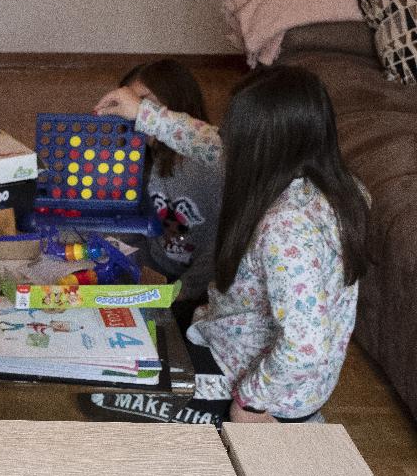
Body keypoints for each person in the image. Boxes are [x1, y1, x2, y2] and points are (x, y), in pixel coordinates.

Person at [121, 66, 367, 423]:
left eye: (234, 137)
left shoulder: (287, 228)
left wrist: (251, 401)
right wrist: (145, 114)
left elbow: (305, 347)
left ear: (261, 148)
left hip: (253, 386)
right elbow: (209, 143)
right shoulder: (339, 189)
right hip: (246, 349)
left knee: (113, 390)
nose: (225, 144)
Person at [93, 59, 224, 326]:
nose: (132, 111)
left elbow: (221, 248)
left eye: (143, 101)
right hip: (158, 274)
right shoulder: (144, 160)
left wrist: (181, 292)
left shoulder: (210, 163)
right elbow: (132, 225)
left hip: (200, 289)